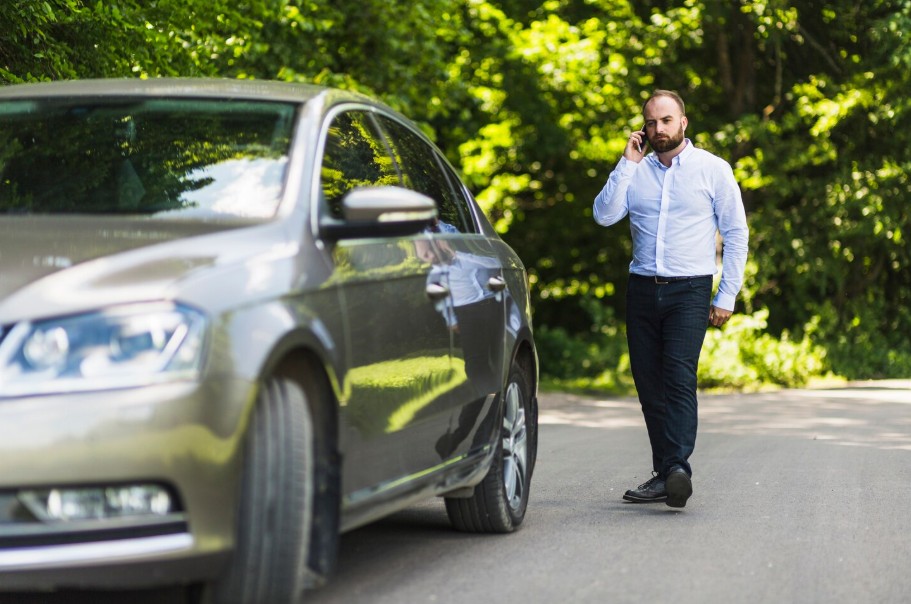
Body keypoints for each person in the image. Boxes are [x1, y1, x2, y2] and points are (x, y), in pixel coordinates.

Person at [592, 90, 749, 508]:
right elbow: (604, 215)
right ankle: (667, 474)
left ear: (683, 122)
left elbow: (735, 234)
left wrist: (726, 294)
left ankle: (676, 467)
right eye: (650, 122)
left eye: (666, 120)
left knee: (678, 378)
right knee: (648, 385)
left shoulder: (712, 169)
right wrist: (626, 164)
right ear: (642, 128)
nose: (658, 128)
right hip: (642, 289)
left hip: (690, 289)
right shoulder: (635, 170)